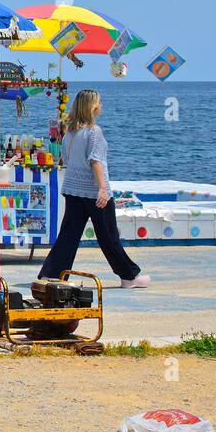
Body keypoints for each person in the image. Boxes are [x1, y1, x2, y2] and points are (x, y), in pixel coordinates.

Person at [38, 89, 147, 287]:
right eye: (99, 102)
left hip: (72, 189)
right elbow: (96, 161)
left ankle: (52, 274)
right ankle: (129, 276)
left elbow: (67, 159)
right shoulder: (94, 132)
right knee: (108, 235)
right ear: (93, 106)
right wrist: (103, 189)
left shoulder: (70, 132)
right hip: (93, 191)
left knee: (69, 234)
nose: (101, 105)